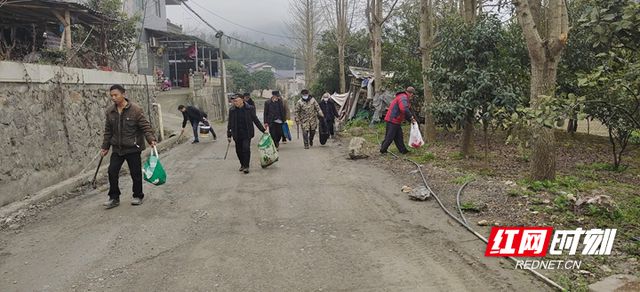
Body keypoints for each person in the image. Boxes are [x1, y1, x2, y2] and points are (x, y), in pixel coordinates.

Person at [100, 84, 157, 209]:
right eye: (112, 96)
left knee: (135, 173)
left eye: (116, 95)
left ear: (123, 94)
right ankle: (114, 197)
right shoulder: (110, 111)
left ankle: (138, 195)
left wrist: (151, 139)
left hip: (133, 147)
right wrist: (105, 147)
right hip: (117, 148)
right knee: (112, 171)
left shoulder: (135, 110)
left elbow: (145, 126)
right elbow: (108, 131)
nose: (113, 98)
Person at [227, 93, 266, 174]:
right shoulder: (232, 110)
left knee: (246, 148)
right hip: (237, 133)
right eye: (234, 101)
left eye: (236, 101)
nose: (235, 102)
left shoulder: (250, 109)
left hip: (247, 133)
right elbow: (230, 123)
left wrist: (263, 130)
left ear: (242, 100)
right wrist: (229, 134)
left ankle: (246, 166)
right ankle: (242, 164)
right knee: (238, 150)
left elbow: (255, 120)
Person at [379, 86, 416, 154]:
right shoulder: (403, 98)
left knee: (399, 136)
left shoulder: (403, 97)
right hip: (393, 119)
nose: (412, 97)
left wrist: (410, 119)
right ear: (411, 94)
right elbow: (404, 109)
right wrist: (411, 117)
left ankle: (403, 151)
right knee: (390, 136)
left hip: (395, 119)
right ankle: (383, 150)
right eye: (413, 95)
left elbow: (404, 111)